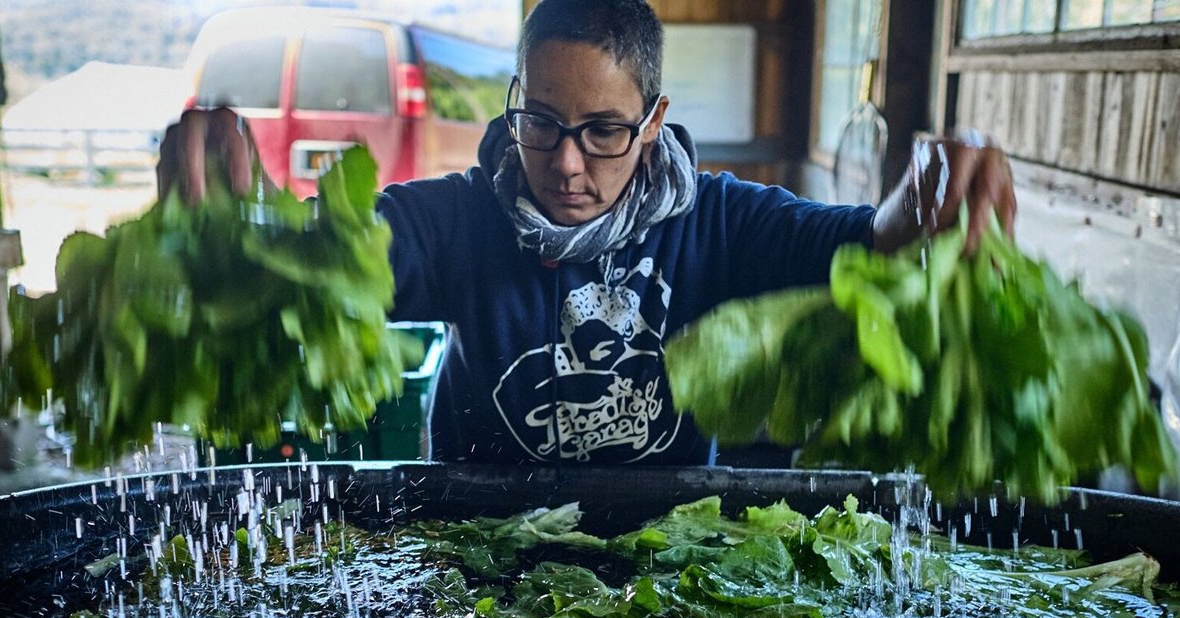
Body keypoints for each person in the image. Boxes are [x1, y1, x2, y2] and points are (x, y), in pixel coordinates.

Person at [157, 0, 1016, 467]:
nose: (567, 165)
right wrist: (239, 216)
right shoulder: (456, 220)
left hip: (667, 560)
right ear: (516, 103)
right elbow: (319, 263)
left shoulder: (715, 219)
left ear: (653, 122)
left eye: (604, 129)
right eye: (541, 123)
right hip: (480, 558)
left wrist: (930, 197)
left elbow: (865, 245)